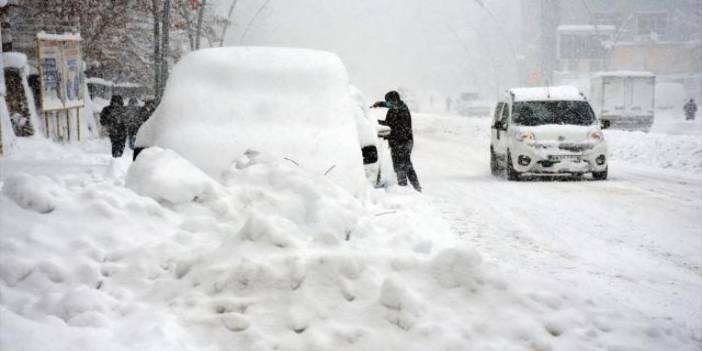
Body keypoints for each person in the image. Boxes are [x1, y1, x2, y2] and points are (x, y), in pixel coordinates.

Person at [371, 90, 421, 192]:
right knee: (406, 165)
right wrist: (380, 104)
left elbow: (396, 128)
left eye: (388, 101)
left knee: (401, 165)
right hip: (401, 142)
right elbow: (390, 121)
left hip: (402, 142)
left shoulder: (401, 112)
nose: (388, 104)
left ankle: (404, 187)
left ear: (394, 100)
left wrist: (387, 134)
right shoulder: (398, 106)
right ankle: (414, 187)